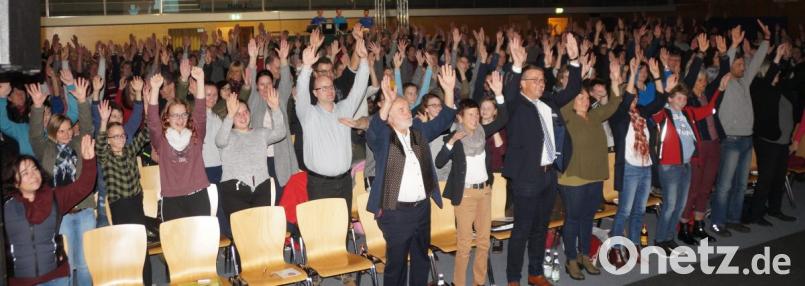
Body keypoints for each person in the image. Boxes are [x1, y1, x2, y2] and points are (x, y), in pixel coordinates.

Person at [366, 68, 457, 286]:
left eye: (408, 108)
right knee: (396, 265)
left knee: (421, 259)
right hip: (396, 212)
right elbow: (374, 130)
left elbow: (443, 121)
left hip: (422, 208)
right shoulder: (384, 138)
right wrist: (388, 102)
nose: (408, 112)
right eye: (401, 110)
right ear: (389, 117)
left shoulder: (418, 133)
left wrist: (449, 91)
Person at [504, 33, 581, 286]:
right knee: (522, 230)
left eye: (542, 80)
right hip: (526, 177)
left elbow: (573, 89)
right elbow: (508, 92)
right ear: (522, 84)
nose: (540, 84)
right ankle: (513, 278)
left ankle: (535, 273)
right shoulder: (515, 104)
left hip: (549, 174)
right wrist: (516, 65)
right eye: (535, 80)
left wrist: (574, 60)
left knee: (540, 228)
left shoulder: (548, 102)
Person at [435, 71, 507, 286]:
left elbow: (504, 118)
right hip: (465, 194)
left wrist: (499, 94)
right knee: (465, 244)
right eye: (471, 115)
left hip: (484, 191)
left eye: (477, 115)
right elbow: (439, 161)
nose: (475, 119)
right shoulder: (455, 136)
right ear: (460, 117)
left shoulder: (483, 131)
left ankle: (478, 282)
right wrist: (450, 143)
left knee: (484, 242)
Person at [557, 62, 622, 280]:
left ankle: (585, 255)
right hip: (573, 178)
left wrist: (615, 80)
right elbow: (567, 97)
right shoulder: (566, 116)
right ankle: (571, 259)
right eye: (580, 98)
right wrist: (579, 74)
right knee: (573, 219)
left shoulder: (594, 116)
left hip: (595, 176)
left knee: (587, 218)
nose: (585, 101)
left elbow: (613, 105)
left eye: (587, 98)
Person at [27, 78, 94, 286]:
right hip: (59, 214)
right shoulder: (45, 148)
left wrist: (82, 101)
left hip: (83, 210)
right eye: (61, 131)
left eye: (68, 129)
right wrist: (37, 107)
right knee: (66, 264)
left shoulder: (78, 143)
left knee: (85, 264)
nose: (66, 134)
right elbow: (35, 134)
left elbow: (87, 128)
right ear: (53, 132)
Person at [295, 26, 369, 214]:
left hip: (344, 182)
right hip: (320, 184)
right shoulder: (308, 114)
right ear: (315, 93)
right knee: (322, 228)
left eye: (330, 86)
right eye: (323, 88)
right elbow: (301, 91)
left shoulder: (344, 108)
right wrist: (306, 67)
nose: (329, 90)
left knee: (343, 226)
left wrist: (364, 59)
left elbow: (359, 87)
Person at [651, 70, 727, 253]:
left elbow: (709, 109)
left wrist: (720, 89)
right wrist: (664, 90)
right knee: (670, 205)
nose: (683, 101)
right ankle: (660, 239)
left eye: (685, 98)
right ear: (670, 99)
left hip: (686, 165)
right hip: (669, 166)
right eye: (679, 98)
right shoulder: (663, 113)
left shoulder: (688, 113)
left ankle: (669, 237)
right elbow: (654, 109)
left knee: (680, 205)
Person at [4, 135, 96, 286]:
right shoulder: (7, 208)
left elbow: (84, 186)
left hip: (57, 278)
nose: (33, 175)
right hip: (20, 282)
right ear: (14, 182)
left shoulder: (54, 197)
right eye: (25, 173)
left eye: (35, 169)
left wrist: (89, 160)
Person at [710, 21, 770, 237]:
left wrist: (767, 40)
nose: (744, 67)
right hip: (731, 140)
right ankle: (718, 222)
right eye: (739, 65)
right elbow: (726, 62)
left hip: (746, 139)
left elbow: (757, 61)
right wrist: (733, 45)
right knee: (725, 185)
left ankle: (734, 219)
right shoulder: (724, 81)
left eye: (743, 65)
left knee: (741, 184)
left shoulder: (745, 81)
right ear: (730, 66)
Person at [146, 67, 211, 221]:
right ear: (167, 118)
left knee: (202, 237)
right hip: (172, 199)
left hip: (198, 196)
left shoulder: (196, 136)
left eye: (183, 114)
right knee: (175, 238)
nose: (180, 119)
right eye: (175, 115)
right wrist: (155, 89)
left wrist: (200, 81)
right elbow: (153, 121)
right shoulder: (161, 140)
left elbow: (200, 112)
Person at [215, 87, 286, 225]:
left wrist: (276, 109)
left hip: (261, 187)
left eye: (245, 112)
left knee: (261, 229)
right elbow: (220, 141)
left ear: (250, 113)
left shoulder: (261, 133)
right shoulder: (227, 134)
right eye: (237, 113)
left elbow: (280, 133)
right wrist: (230, 115)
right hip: (234, 190)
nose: (242, 116)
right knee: (243, 232)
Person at [748, 43, 798, 225]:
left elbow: (787, 74)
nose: (778, 75)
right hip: (768, 141)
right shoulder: (760, 89)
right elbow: (769, 77)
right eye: (774, 72)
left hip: (783, 141)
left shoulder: (779, 88)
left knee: (779, 178)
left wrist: (786, 57)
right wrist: (776, 57)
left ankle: (775, 209)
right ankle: (756, 214)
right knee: (766, 179)